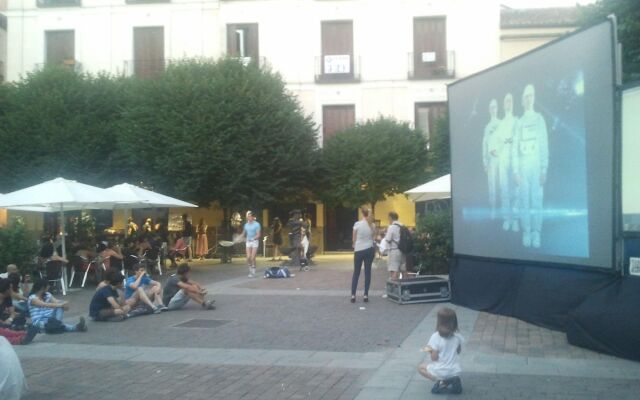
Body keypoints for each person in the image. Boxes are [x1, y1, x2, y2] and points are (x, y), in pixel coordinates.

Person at [513, 84, 548, 248]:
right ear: (522, 100)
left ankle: (536, 232)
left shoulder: (540, 119)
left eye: (531, 95)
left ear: (534, 98)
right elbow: (514, 149)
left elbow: (544, 146)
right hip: (523, 167)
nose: (528, 99)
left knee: (537, 201)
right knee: (524, 201)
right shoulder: (519, 123)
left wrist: (544, 169)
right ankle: (526, 232)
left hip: (536, 166)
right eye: (526, 96)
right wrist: (515, 171)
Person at [418, 308, 463, 395]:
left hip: (441, 370)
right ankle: (452, 380)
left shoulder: (436, 337)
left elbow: (434, 358)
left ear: (439, 322)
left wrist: (430, 351)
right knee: (449, 372)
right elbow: (458, 351)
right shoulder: (458, 336)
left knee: (420, 367)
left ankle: (440, 381)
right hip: (455, 370)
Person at [498, 93, 520, 232]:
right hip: (502, 159)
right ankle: (507, 219)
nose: (508, 103)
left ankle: (516, 219)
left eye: (510, 101)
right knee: (504, 190)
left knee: (516, 190)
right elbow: (496, 143)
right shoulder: (500, 124)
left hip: (515, 159)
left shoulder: (517, 121)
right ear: (503, 104)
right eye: (506, 101)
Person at [482, 98, 502, 220]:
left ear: (497, 108)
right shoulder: (487, 127)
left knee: (503, 185)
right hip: (491, 161)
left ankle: (504, 212)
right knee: (492, 186)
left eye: (495, 107)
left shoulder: (501, 124)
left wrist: (500, 153)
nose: (493, 109)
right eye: (491, 107)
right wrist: (485, 161)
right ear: (489, 110)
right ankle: (493, 210)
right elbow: (484, 145)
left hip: (502, 160)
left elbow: (505, 141)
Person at [351, 208, 376, 303]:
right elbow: (373, 236)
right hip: (369, 249)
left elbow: (354, 237)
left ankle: (353, 295)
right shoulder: (372, 225)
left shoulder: (357, 224)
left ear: (362, 214)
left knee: (356, 273)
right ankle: (365, 295)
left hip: (359, 250)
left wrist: (354, 245)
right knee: (367, 272)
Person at [384, 212, 405, 280]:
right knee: (403, 270)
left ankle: (394, 287)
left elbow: (388, 239)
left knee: (394, 270)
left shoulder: (391, 227)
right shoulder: (402, 225)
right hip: (403, 250)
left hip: (394, 251)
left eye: (388, 218)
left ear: (390, 218)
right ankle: (404, 285)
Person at [242, 211, 261, 278]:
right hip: (248, 242)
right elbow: (243, 234)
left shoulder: (257, 224)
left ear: (252, 217)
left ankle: (253, 270)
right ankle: (250, 269)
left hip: (254, 242)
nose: (249, 218)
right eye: (248, 216)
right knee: (248, 257)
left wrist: (253, 239)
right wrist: (240, 238)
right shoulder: (246, 225)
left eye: (250, 216)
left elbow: (258, 235)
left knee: (253, 257)